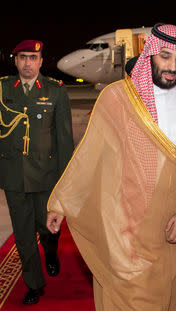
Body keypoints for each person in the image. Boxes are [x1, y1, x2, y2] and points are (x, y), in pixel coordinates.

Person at [46, 23, 176, 310]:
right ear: (150, 54)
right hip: (133, 228)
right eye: (165, 56)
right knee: (133, 297)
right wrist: (61, 204)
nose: (172, 67)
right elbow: (91, 156)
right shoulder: (117, 98)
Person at [0, 40, 74, 305]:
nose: (27, 63)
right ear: (16, 61)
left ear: (41, 61)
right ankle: (34, 284)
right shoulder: (3, 89)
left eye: (33, 57)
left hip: (46, 175)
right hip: (13, 176)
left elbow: (65, 140)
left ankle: (51, 252)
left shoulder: (55, 91)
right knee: (22, 234)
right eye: (22, 58)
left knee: (47, 228)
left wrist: (65, 180)